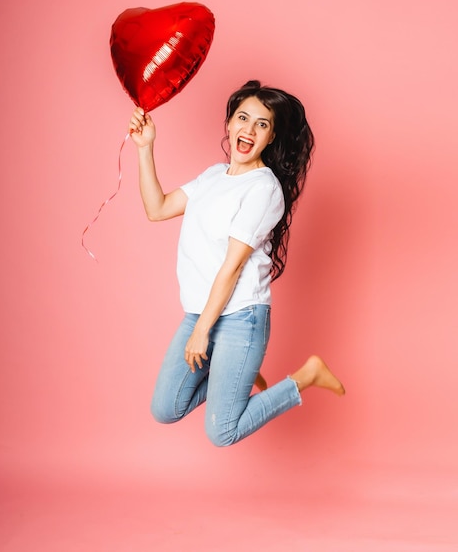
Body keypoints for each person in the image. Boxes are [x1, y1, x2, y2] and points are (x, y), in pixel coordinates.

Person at [129, 80, 344, 447]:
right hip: (200, 311)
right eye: (243, 118)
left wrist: (202, 333)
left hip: (241, 316)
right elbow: (157, 208)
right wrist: (146, 148)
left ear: (271, 136)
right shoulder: (212, 177)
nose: (249, 129)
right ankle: (235, 369)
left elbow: (231, 267)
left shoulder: (264, 188)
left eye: (262, 124)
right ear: (229, 124)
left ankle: (305, 376)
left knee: (221, 432)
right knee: (165, 408)